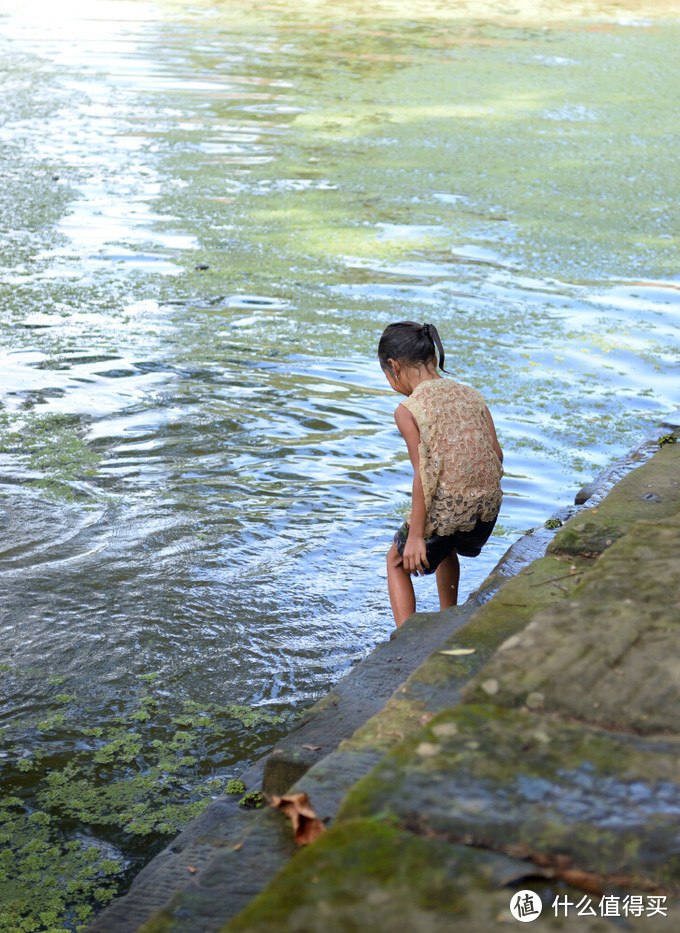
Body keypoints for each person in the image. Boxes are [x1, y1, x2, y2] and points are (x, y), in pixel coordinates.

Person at [379, 321, 503, 627]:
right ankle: (450, 617)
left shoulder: (408, 408)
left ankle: (404, 641)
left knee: (395, 561)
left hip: (451, 514)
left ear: (393, 367)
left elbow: (423, 472)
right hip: (487, 514)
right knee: (448, 546)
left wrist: (416, 536)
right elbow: (497, 456)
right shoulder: (473, 395)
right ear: (433, 359)